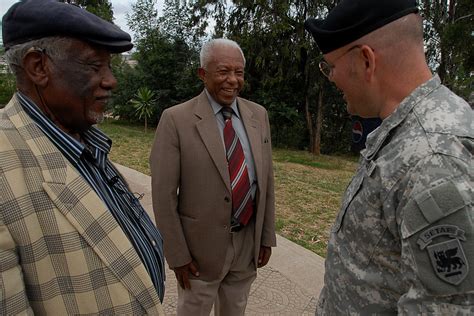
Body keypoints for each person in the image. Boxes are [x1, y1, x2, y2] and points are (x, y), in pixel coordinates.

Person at [304, 0, 474, 314]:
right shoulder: (406, 131)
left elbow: (445, 307)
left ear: (365, 60)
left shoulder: (431, 157)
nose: (331, 79)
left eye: (330, 67)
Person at [0, 1, 165, 314]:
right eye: (94, 66)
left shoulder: (79, 135)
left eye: (110, 66)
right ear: (38, 67)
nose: (111, 80)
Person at [150, 38, 276, 315]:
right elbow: (163, 195)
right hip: (198, 254)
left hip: (246, 245)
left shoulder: (259, 115)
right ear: (202, 74)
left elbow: (266, 181)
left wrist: (266, 236)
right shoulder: (176, 119)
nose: (232, 80)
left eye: (239, 72)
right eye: (223, 71)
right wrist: (177, 255)